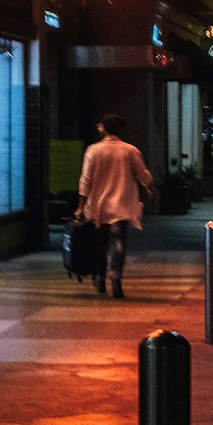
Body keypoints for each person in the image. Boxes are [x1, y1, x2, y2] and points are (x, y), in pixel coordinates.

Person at [76, 114, 154, 298]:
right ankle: (116, 279)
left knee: (100, 243)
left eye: (100, 125)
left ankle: (100, 279)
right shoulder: (130, 151)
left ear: (103, 128)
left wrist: (80, 205)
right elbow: (143, 175)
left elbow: (85, 180)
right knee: (118, 243)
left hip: (99, 206)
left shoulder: (93, 150)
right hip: (121, 205)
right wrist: (150, 188)